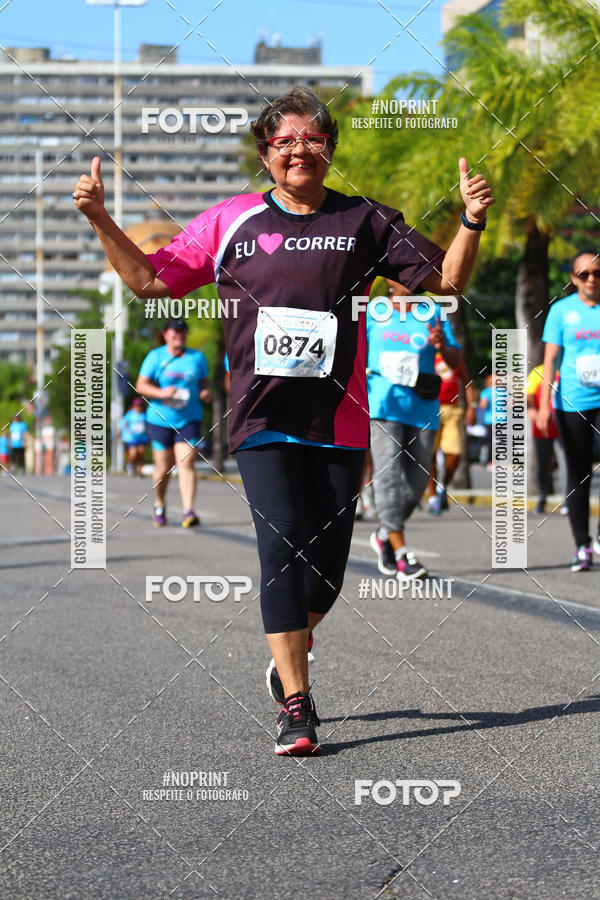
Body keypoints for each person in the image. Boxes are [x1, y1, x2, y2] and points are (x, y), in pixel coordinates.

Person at [73, 86, 494, 756]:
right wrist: (100, 219)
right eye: (285, 141)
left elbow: (444, 281)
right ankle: (296, 705)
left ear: (329, 148)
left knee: (324, 571)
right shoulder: (229, 221)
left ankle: (291, 645)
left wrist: (471, 221)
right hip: (261, 417)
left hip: (339, 419)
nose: (300, 150)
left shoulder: (366, 221)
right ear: (266, 154)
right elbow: (150, 283)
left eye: (313, 139)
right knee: (282, 546)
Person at [367, 279, 461, 578]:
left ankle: (385, 534)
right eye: (397, 271)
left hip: (422, 407)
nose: (406, 276)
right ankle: (402, 550)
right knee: (388, 477)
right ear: (389, 279)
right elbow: (353, 356)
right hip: (382, 403)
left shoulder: (432, 310)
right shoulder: (372, 311)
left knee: (419, 482)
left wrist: (442, 346)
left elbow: (456, 360)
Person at [538, 250, 600, 571]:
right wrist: (545, 404)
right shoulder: (561, 311)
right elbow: (550, 359)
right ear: (573, 278)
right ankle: (582, 545)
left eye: (597, 273)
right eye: (584, 274)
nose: (591, 280)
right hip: (573, 401)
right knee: (579, 474)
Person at [135, 319, 211, 527]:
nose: (179, 335)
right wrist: (161, 393)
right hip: (160, 419)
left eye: (183, 331)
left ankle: (189, 511)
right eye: (175, 331)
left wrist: (205, 391)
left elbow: (203, 380)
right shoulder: (156, 356)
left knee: (186, 462)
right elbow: (141, 385)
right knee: (163, 467)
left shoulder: (197, 358)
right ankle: (159, 504)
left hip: (189, 418)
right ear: (166, 334)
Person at [427, 351, 476, 514]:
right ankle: (433, 496)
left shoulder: (455, 355)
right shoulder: (427, 353)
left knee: (455, 454)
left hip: (453, 409)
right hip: (430, 408)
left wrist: (472, 406)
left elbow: (467, 381)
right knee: (429, 454)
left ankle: (442, 486)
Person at [526, 364, 566, 516]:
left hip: (563, 427)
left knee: (565, 465)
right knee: (543, 465)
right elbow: (528, 394)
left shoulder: (566, 368)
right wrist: (533, 411)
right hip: (542, 428)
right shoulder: (538, 371)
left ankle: (567, 501)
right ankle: (542, 499)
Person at [119, 397, 149, 476]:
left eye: (139, 405)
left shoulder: (144, 415)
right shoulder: (130, 414)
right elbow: (123, 425)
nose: (138, 406)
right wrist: (125, 433)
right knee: (133, 453)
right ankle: (130, 466)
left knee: (141, 453)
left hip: (142, 437)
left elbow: (147, 426)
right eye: (136, 405)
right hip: (130, 438)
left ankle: (139, 469)